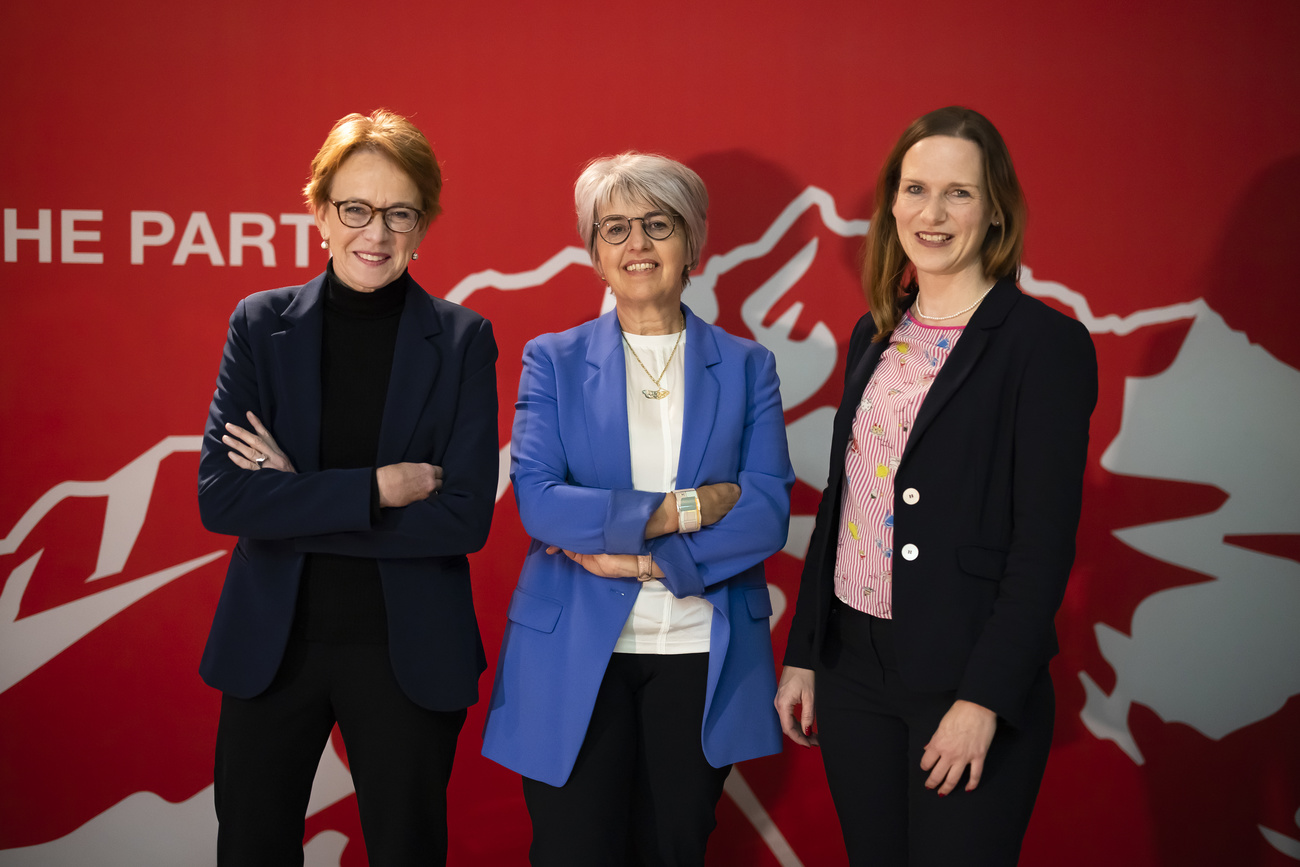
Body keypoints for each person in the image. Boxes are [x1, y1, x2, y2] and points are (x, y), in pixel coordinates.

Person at [775, 106, 1098, 866]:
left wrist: (983, 698)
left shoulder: (1043, 345)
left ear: (994, 211)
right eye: (916, 189)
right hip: (854, 672)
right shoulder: (873, 333)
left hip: (964, 674)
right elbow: (845, 503)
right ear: (892, 203)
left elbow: (1042, 545)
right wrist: (807, 651)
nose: (933, 212)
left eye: (959, 193)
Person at [196, 109, 498, 865]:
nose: (377, 233)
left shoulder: (463, 339)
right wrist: (376, 489)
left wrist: (298, 495)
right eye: (356, 209)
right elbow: (223, 498)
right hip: (274, 646)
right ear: (321, 213)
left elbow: (462, 520)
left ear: (424, 223)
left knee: (407, 851)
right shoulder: (260, 325)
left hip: (407, 657)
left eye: (400, 213)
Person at [481, 152, 794, 866]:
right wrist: (688, 507)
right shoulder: (552, 360)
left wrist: (645, 556)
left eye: (657, 224)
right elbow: (543, 503)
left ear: (693, 243)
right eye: (614, 228)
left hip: (698, 648)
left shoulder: (748, 367)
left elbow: (765, 510)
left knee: (674, 848)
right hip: (572, 653)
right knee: (572, 850)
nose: (636, 245)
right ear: (594, 251)